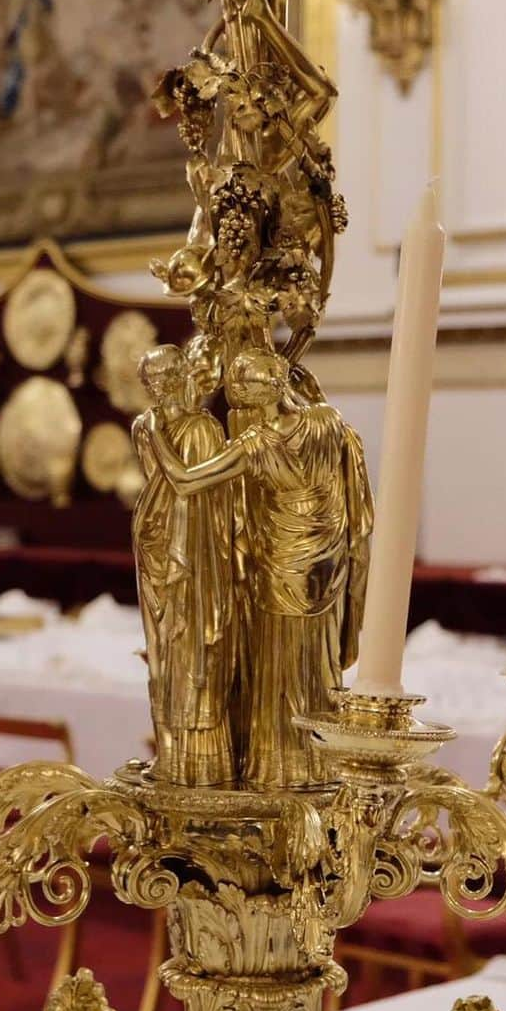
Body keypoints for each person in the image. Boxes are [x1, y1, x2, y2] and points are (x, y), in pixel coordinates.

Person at [146, 349, 371, 789]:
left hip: (282, 566)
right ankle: (315, 761)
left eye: (240, 386)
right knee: (318, 665)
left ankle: (281, 767)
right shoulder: (327, 420)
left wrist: (155, 432)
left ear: (258, 389)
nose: (234, 394)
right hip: (327, 562)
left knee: (282, 663)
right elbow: (352, 488)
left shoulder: (257, 442)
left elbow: (188, 481)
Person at [132, 337, 236, 787]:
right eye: (152, 379)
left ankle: (204, 767)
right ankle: (171, 756)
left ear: (182, 378)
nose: (160, 387)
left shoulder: (202, 430)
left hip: (195, 556)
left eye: (167, 376)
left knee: (194, 652)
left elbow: (189, 487)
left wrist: (158, 434)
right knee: (161, 655)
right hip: (156, 549)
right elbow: (156, 488)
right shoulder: (142, 427)